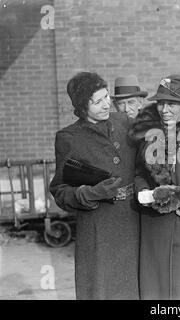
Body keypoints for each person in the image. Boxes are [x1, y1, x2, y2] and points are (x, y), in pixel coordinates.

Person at [49, 72, 139, 300]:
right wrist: (89, 194)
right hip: (99, 229)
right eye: (97, 102)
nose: (106, 104)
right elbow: (60, 191)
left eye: (107, 97)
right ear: (81, 107)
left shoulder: (124, 122)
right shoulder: (69, 137)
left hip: (134, 221)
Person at [129, 74, 180, 300]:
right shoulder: (148, 137)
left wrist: (179, 196)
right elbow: (139, 174)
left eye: (172, 103)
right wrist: (144, 193)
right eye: (161, 103)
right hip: (155, 229)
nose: (165, 109)